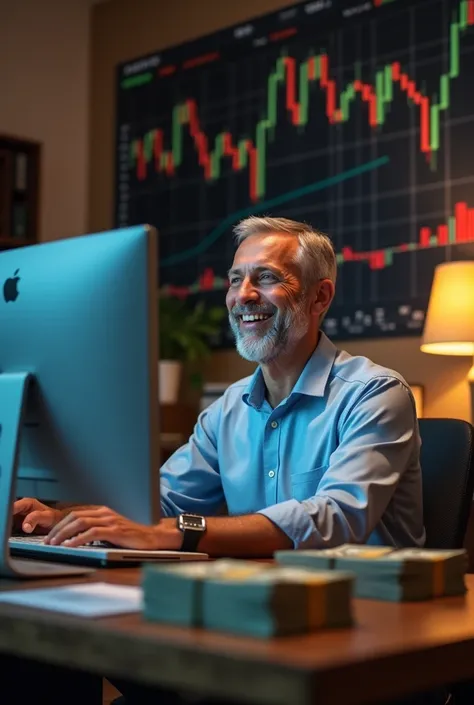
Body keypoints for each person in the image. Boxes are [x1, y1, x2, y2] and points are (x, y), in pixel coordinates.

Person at [13, 216, 433, 705]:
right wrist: (65, 518)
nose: (243, 295)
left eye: (268, 278)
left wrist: (176, 530)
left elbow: (337, 517)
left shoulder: (376, 393)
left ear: (320, 297)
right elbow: (163, 500)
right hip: (257, 620)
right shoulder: (228, 409)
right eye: (236, 279)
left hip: (366, 642)